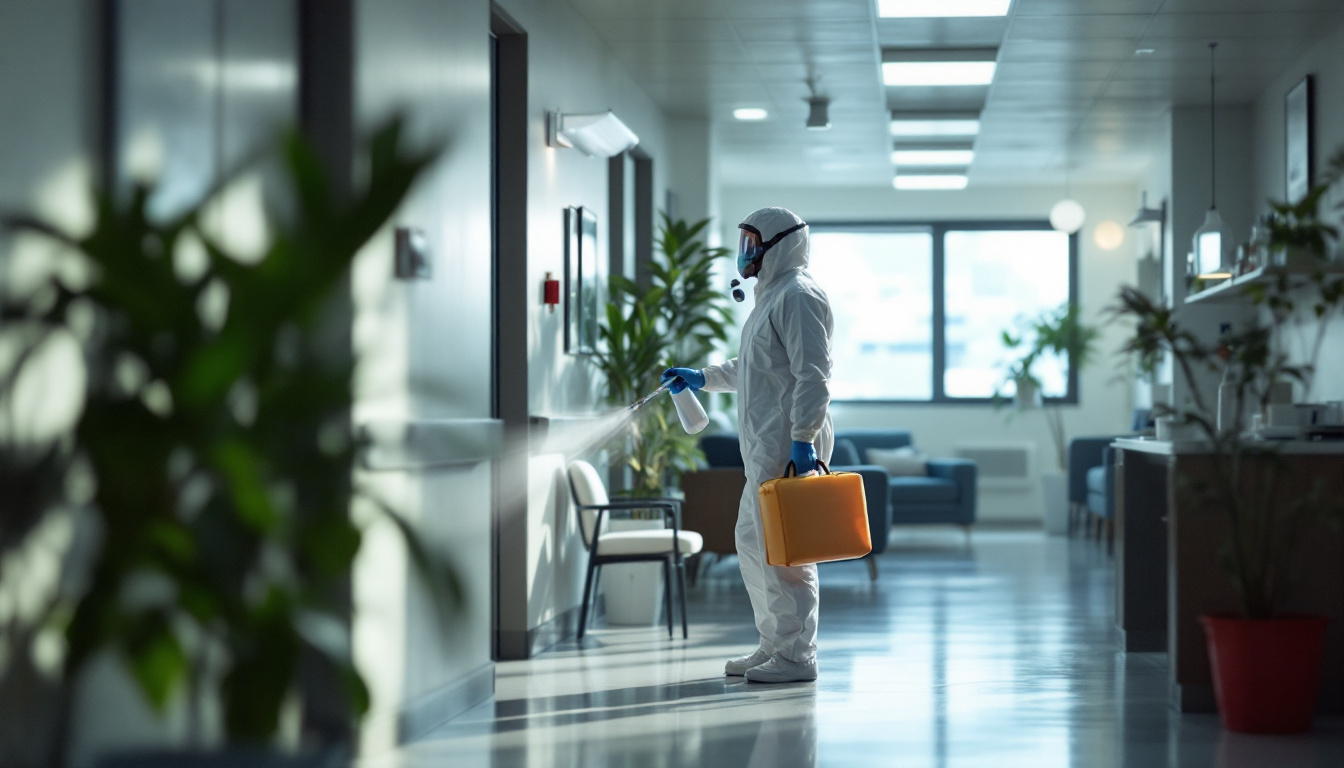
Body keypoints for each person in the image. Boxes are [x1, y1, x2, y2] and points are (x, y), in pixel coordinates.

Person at [662, 206, 833, 684]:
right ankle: (774, 644)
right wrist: (702, 378)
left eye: (753, 242)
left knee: (787, 552)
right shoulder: (771, 297)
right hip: (765, 446)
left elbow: (813, 376)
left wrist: (802, 441)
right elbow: (751, 369)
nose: (747, 252)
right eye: (744, 241)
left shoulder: (799, 296)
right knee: (754, 543)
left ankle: (798, 657)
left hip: (787, 441)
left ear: (780, 244)